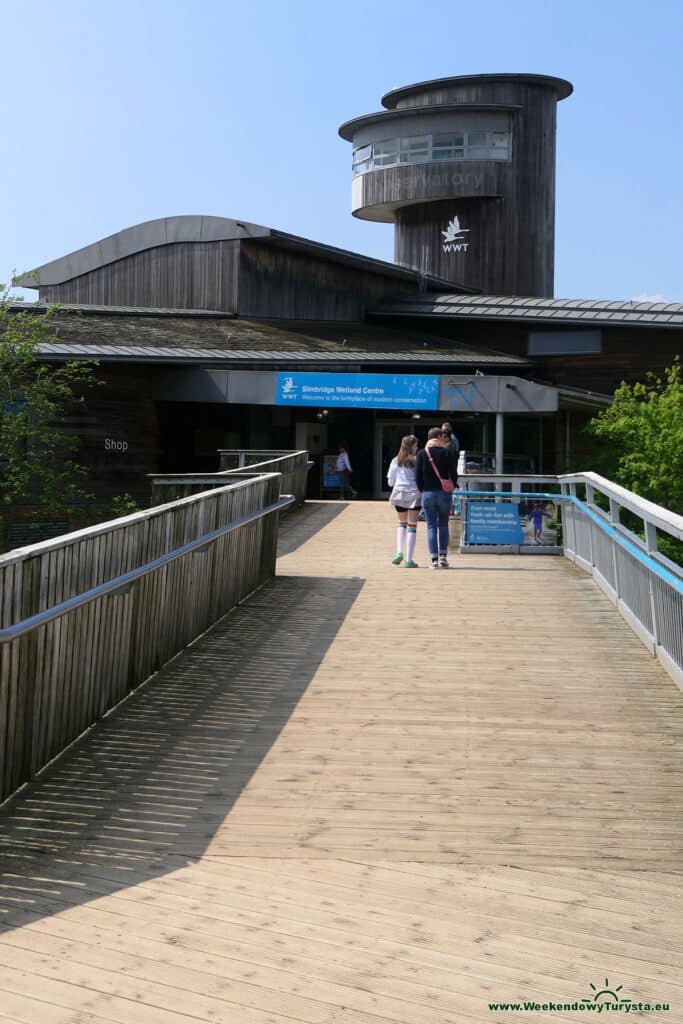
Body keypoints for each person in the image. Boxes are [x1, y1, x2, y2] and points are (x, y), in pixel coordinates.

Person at [415, 427, 458, 569]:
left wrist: (424, 490)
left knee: (431, 526)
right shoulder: (447, 452)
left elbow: (417, 477)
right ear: (439, 437)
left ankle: (434, 559)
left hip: (428, 493)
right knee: (444, 524)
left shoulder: (421, 454)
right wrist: (452, 486)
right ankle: (444, 557)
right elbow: (453, 472)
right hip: (444, 493)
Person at [387, 434, 421, 568]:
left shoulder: (396, 461)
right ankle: (409, 560)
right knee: (412, 526)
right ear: (412, 446)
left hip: (399, 493)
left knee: (401, 524)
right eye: (416, 445)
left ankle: (399, 552)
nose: (417, 447)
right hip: (414, 494)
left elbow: (390, 482)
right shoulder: (417, 460)